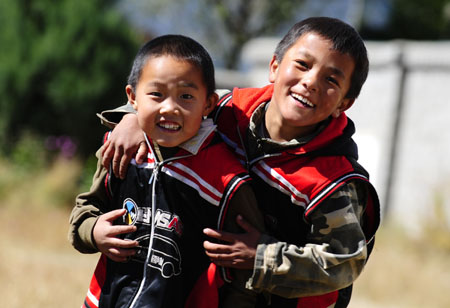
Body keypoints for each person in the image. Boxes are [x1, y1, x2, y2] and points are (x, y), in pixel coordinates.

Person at [98, 17, 381, 308]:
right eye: (303, 65)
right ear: (274, 67)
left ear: (344, 104)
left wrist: (261, 256)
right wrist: (128, 119)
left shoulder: (333, 181)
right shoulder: (228, 112)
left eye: (331, 80)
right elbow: (175, 105)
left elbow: (343, 263)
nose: (310, 82)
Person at [68, 34, 264, 308]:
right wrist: (93, 231)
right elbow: (85, 210)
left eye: (186, 96)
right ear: (133, 98)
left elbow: (245, 269)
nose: (170, 108)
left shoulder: (227, 181)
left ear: (208, 104)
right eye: (157, 94)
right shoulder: (119, 150)